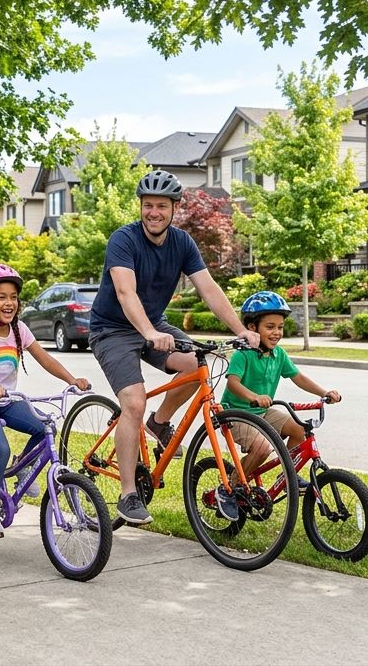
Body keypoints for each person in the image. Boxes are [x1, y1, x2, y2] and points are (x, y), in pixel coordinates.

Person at [88, 170, 260, 525]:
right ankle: (128, 494)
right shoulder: (123, 239)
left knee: (202, 364)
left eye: (161, 206)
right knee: (133, 401)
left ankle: (160, 421)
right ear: (141, 207)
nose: (154, 212)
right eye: (148, 205)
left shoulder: (182, 243)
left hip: (154, 327)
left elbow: (209, 289)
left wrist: (241, 329)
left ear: (173, 209)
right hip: (113, 329)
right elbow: (125, 292)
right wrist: (149, 331)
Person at [0, 263, 90, 541]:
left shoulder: (19, 329)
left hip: (7, 400)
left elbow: (46, 359)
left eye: (13, 297)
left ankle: (23, 466)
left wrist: (71, 379)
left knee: (45, 427)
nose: (9, 303)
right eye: (1, 296)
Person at [223, 291, 341, 478]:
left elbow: (298, 377)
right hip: (236, 414)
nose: (277, 332)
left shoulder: (279, 354)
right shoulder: (242, 354)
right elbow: (232, 384)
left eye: (280, 327)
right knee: (262, 449)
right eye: (270, 327)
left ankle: (288, 478)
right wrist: (254, 397)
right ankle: (230, 487)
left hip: (262, 412)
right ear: (252, 327)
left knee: (299, 430)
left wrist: (325, 392)